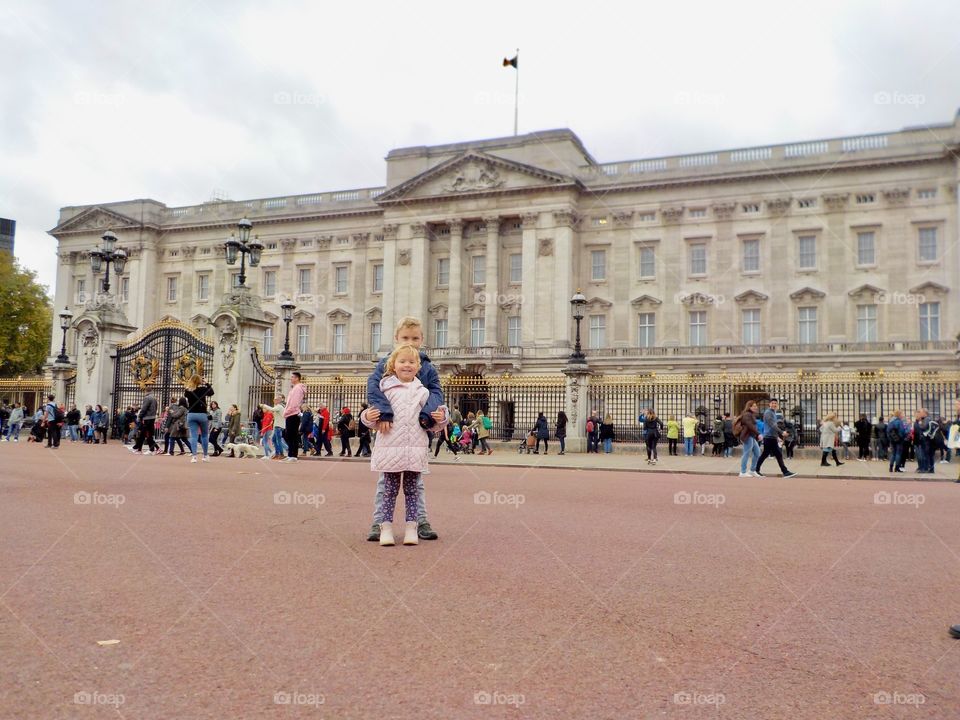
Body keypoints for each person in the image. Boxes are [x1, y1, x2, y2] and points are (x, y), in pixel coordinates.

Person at [364, 316, 445, 542]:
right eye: (405, 338)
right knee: (386, 483)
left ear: (422, 339)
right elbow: (374, 389)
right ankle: (379, 522)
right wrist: (383, 412)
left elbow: (436, 394)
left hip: (416, 432)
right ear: (396, 339)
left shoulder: (426, 367)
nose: (410, 341)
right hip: (391, 434)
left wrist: (428, 415)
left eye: (415, 338)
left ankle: (420, 521)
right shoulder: (387, 364)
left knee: (415, 484)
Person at [754, 399, 797, 478]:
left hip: (772, 437)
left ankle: (756, 470)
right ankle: (785, 471)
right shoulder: (768, 413)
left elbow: (773, 426)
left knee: (773, 454)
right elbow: (772, 425)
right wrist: (781, 432)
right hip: (769, 437)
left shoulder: (773, 412)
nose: (774, 404)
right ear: (769, 404)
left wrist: (777, 437)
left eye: (775, 403)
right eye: (772, 403)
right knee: (771, 454)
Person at [184, 375, 215, 463]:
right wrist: (207, 383)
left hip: (191, 414)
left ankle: (194, 456)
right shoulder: (203, 389)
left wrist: (189, 385)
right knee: (204, 435)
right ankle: (205, 455)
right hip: (202, 414)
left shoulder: (188, 390)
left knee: (194, 436)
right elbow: (211, 392)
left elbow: (185, 394)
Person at [282, 373, 307, 463]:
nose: (291, 379)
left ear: (297, 378)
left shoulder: (297, 389)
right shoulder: (295, 388)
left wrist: (287, 411)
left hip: (292, 413)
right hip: (290, 413)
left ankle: (293, 455)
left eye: (292, 377)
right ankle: (290, 454)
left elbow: (294, 403)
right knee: (289, 434)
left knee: (292, 435)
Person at [735, 401, 761, 477]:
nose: (756, 407)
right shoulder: (747, 414)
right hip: (747, 436)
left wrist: (756, 435)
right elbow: (750, 426)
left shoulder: (751, 414)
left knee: (757, 453)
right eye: (754, 406)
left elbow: (752, 427)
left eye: (756, 406)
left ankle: (752, 470)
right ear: (749, 407)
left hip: (751, 436)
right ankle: (742, 472)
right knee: (746, 453)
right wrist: (758, 434)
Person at [130, 390, 159, 455]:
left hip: (147, 418)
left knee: (144, 434)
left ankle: (139, 448)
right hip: (152, 417)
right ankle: (138, 448)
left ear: (147, 392)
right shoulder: (154, 399)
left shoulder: (147, 398)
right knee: (145, 435)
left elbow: (144, 408)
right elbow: (156, 408)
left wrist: (140, 416)